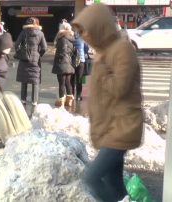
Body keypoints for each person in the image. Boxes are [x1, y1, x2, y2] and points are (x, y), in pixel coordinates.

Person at [72, 3, 143, 202]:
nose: (84, 35)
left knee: (91, 178)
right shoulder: (104, 51)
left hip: (122, 127)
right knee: (113, 182)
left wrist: (101, 76)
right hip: (111, 127)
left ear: (99, 26)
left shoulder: (122, 50)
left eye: (86, 30)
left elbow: (120, 87)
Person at [15, 17, 47, 115]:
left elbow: (16, 44)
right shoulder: (40, 33)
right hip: (35, 59)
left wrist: (20, 53)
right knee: (35, 80)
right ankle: (34, 101)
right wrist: (39, 54)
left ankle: (23, 100)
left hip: (24, 59)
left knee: (24, 80)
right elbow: (44, 47)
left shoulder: (23, 32)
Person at [52, 21, 75, 107]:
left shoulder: (62, 38)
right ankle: (69, 100)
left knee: (61, 83)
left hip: (61, 63)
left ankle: (61, 100)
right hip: (69, 63)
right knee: (68, 82)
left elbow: (62, 51)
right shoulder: (71, 38)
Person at [71, 31, 87, 101]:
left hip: (72, 60)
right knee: (79, 79)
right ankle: (78, 96)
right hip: (81, 60)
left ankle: (71, 95)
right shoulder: (83, 38)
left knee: (72, 79)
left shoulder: (71, 38)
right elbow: (86, 49)